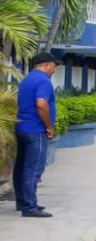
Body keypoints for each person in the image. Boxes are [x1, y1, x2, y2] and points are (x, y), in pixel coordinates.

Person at [13, 53, 62, 218]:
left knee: (21, 167)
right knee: (33, 168)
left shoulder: (28, 79)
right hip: (35, 130)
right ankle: (29, 206)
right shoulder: (43, 81)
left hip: (22, 127)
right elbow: (41, 104)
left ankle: (22, 202)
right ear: (47, 65)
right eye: (54, 66)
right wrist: (49, 126)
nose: (54, 70)